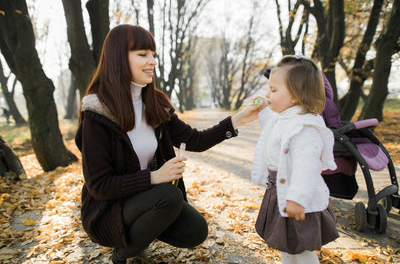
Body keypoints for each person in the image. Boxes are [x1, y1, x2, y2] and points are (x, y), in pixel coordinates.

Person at [74, 24, 262, 264]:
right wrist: (156, 177)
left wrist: (237, 120)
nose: (152, 61)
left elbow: (195, 140)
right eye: (142, 54)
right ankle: (123, 254)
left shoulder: (155, 103)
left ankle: (138, 238)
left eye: (153, 54)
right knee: (170, 196)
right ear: (118, 58)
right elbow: (99, 186)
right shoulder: (97, 115)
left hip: (148, 201)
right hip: (108, 211)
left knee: (196, 231)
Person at [251, 55, 339, 264]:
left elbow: (307, 167)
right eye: (268, 88)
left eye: (273, 90)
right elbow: (269, 124)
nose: (267, 94)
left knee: (301, 249)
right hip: (279, 192)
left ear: (296, 95)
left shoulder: (305, 127)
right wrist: (260, 106)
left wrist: (298, 198)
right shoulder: (284, 117)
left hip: (297, 197)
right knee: (286, 245)